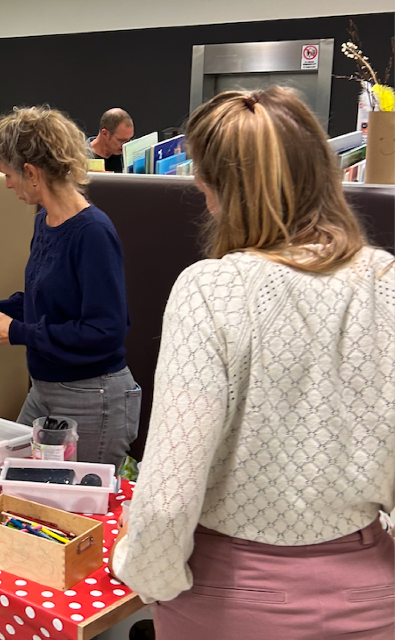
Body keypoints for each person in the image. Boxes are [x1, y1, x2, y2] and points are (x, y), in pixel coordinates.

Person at [110, 87, 395, 640]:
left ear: (223, 190)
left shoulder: (212, 289)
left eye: (204, 178)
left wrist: (147, 577)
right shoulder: (386, 283)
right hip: (369, 591)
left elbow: (167, 502)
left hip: (229, 597)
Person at [0, 106, 139, 469]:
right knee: (14, 477)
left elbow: (106, 331)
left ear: (32, 173)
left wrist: (18, 332)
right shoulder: (45, 220)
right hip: (46, 388)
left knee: (80, 513)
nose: (7, 184)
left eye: (8, 174)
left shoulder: (92, 232)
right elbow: (41, 300)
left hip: (91, 396)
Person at [87, 108, 134, 173]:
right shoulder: (80, 158)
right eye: (121, 140)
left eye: (129, 140)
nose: (125, 145)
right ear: (105, 133)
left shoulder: (127, 158)